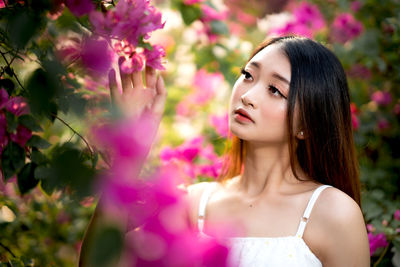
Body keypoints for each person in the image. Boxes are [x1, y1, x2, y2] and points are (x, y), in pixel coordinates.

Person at [80, 35, 370, 266]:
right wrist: (130, 145)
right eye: (247, 75)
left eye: (275, 90)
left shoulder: (333, 213)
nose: (248, 95)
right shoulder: (194, 206)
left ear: (306, 125)